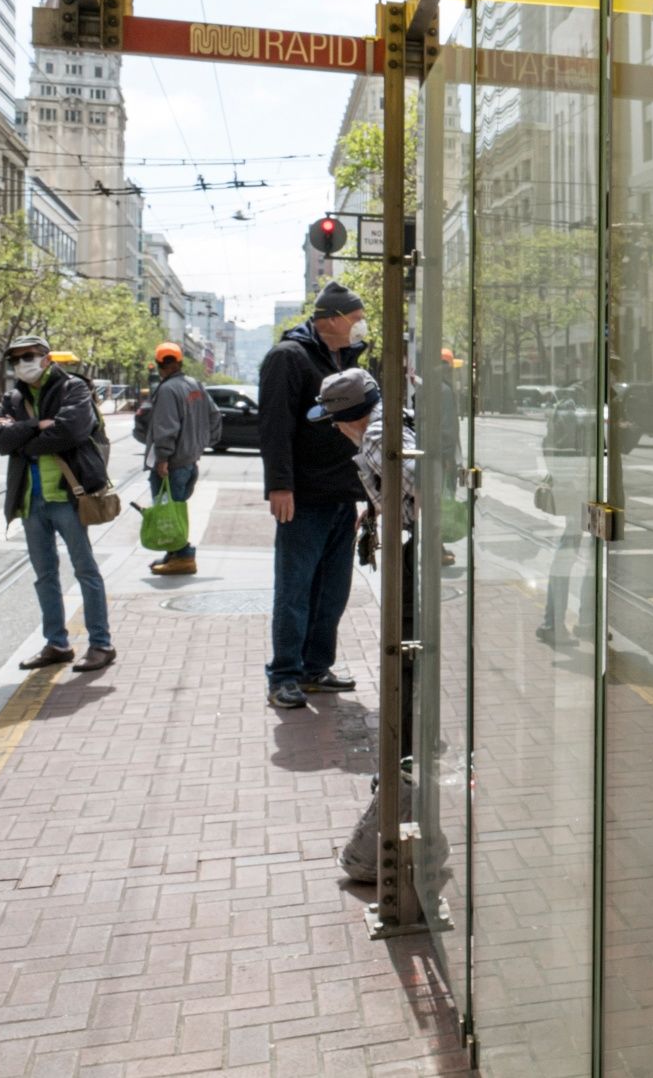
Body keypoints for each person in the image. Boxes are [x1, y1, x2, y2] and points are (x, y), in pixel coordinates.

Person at [310, 368, 417, 885]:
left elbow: (419, 485)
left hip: (415, 560)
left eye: (333, 420)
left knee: (406, 669)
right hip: (414, 553)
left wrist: (404, 519)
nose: (333, 429)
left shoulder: (376, 436)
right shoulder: (393, 422)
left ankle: (402, 778)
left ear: (347, 417)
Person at [258, 281, 370, 709]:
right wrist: (280, 485)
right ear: (332, 319)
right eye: (356, 317)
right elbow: (274, 426)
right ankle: (284, 675)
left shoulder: (347, 358)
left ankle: (315, 668)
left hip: (342, 494)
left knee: (332, 591)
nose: (361, 324)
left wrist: (364, 494)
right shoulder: (288, 357)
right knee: (295, 589)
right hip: (303, 497)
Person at [0, 334, 116, 672]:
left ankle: (101, 644)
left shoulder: (73, 388)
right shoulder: (14, 397)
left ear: (46, 357)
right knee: (44, 575)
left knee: (85, 570)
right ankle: (57, 643)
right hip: (31, 499)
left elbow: (70, 431)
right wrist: (36, 425)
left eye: (28, 356)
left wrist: (23, 441)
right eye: (15, 359)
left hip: (68, 496)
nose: (22, 363)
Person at [135, 341, 220, 576]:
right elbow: (214, 416)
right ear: (180, 362)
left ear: (159, 364)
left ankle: (183, 555)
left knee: (168, 513)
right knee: (175, 510)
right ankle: (174, 554)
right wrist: (202, 444)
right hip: (189, 461)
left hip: (171, 465)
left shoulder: (167, 390)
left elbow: (167, 427)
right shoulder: (195, 385)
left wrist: (163, 458)